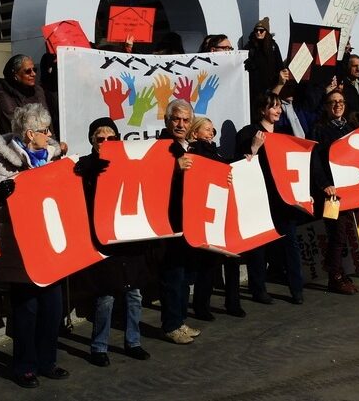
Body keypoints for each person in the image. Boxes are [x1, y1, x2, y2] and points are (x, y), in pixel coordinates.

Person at [0, 103, 69, 388]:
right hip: (21, 249)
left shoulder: (54, 158)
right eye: (45, 130)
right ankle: (24, 365)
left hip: (51, 244)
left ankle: (48, 361)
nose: (50, 135)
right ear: (30, 133)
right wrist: (2, 195)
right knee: (27, 312)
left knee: (52, 310)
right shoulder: (3, 163)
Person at [73, 118, 151, 367]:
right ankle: (99, 346)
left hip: (129, 240)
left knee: (134, 294)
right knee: (105, 297)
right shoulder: (83, 167)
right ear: (92, 141)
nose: (106, 142)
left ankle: (134, 342)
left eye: (111, 138)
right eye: (100, 138)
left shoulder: (130, 162)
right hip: (103, 240)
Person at [236, 92, 304, 305]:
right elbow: (240, 165)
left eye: (279, 107)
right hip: (259, 198)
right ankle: (259, 289)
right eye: (273, 107)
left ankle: (296, 289)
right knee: (259, 246)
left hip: (284, 199)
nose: (278, 110)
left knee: (291, 245)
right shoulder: (248, 133)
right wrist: (254, 148)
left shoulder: (284, 132)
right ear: (262, 110)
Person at [308, 91, 359, 295]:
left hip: (352, 191)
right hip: (332, 193)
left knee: (349, 233)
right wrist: (324, 185)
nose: (337, 105)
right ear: (326, 106)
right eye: (333, 102)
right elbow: (314, 161)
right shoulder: (319, 130)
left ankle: (342, 271)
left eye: (341, 101)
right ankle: (335, 278)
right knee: (337, 235)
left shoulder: (351, 128)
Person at [185, 117, 239, 320]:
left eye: (212, 130)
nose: (211, 133)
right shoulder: (196, 151)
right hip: (208, 210)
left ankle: (230, 302)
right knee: (210, 262)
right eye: (207, 129)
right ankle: (203, 306)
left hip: (221, 208)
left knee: (229, 257)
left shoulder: (213, 151)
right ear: (195, 132)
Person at [156, 99, 201, 344]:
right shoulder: (161, 147)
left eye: (186, 120)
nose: (181, 124)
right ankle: (171, 325)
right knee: (173, 276)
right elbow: (149, 178)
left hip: (190, 221)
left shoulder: (191, 146)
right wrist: (173, 167)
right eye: (176, 119)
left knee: (184, 276)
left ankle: (180, 320)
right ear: (167, 121)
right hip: (169, 222)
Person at [0, 54, 51, 136]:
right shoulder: (3, 95)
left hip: (43, 140)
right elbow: (14, 130)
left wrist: (53, 144)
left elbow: (48, 122)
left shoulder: (38, 91)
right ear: (15, 74)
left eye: (35, 70)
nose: (33, 74)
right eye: (28, 71)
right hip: (18, 143)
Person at [243, 17, 285, 96]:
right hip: (254, 88)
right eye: (256, 30)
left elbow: (279, 65)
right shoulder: (250, 46)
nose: (258, 32)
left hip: (271, 86)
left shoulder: (273, 46)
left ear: (266, 32)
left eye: (261, 30)